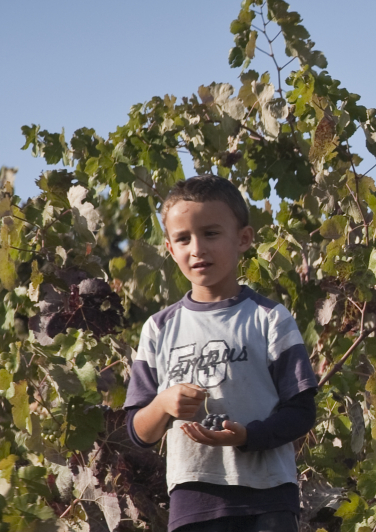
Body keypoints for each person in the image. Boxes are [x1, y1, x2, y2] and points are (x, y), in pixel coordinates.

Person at [123, 175, 319, 532]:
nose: (197, 249)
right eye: (183, 238)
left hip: (268, 498)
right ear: (170, 248)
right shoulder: (159, 329)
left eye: (211, 233)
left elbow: (302, 412)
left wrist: (247, 436)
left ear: (243, 238)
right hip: (193, 501)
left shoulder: (270, 318)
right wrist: (163, 404)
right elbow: (139, 432)